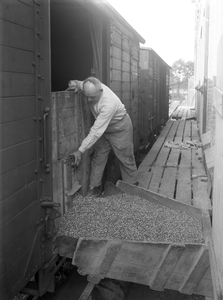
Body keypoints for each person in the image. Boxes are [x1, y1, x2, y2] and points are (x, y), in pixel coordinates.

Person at [67, 77, 138, 196]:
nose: (89, 100)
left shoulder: (109, 103)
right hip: (104, 129)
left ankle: (132, 191)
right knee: (98, 157)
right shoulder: (87, 86)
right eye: (87, 96)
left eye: (92, 97)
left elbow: (96, 131)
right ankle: (94, 189)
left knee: (126, 159)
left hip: (119, 128)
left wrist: (80, 150)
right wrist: (72, 83)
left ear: (100, 92)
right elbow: (76, 83)